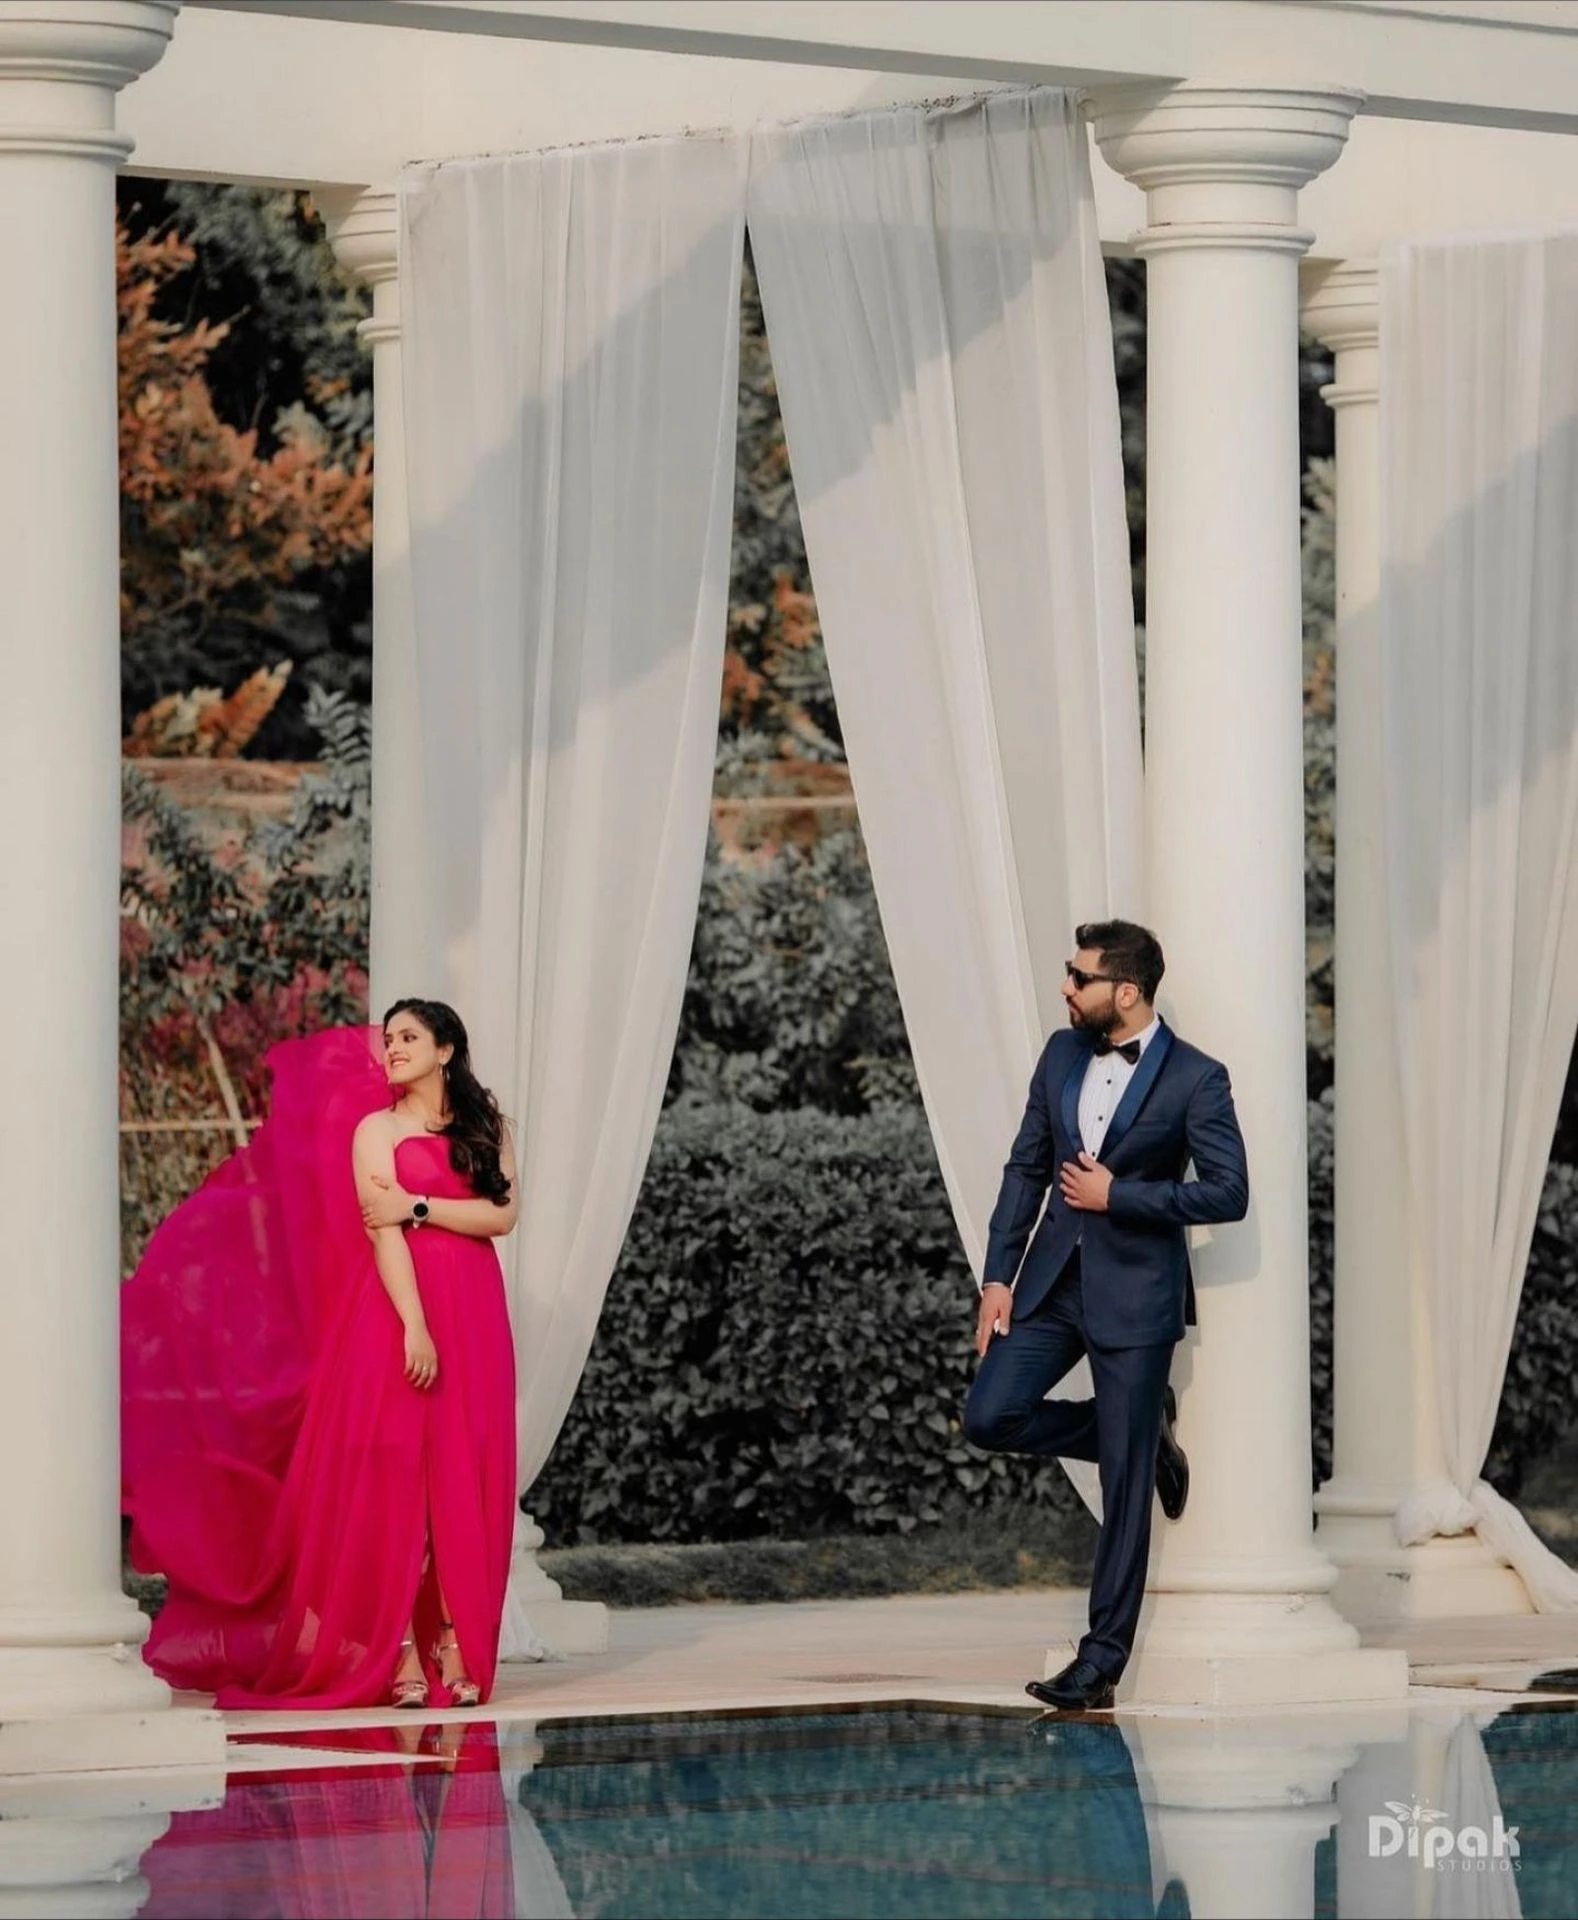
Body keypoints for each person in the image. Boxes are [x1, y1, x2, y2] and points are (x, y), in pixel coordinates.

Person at [122, 999, 519, 1712]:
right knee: (398, 1477)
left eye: (408, 1038)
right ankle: (396, 1648)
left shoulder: (488, 1126)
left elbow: (503, 1215)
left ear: (447, 1051)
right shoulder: (376, 1129)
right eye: (390, 1037)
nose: (392, 1049)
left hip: (478, 1315)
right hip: (401, 1312)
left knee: (466, 1470)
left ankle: (456, 1642)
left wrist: (419, 1206)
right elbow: (381, 1232)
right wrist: (414, 1325)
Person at [962, 920, 1248, 1712]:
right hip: (1053, 1285)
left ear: (1125, 991)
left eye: (1077, 976)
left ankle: (1100, 1662)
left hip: (1137, 1297)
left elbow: (1229, 1191)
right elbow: (1027, 1167)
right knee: (990, 1415)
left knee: (1125, 1489)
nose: (1065, 987)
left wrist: (1121, 1195)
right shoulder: (1060, 1055)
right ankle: (1142, 1433)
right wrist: (997, 1277)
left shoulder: (1197, 1078)